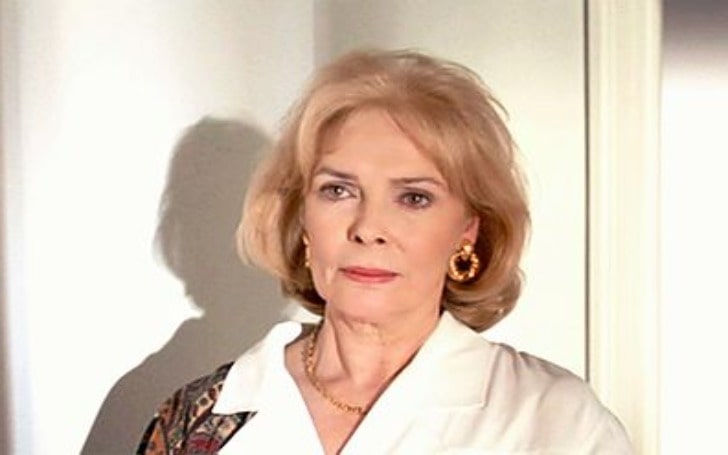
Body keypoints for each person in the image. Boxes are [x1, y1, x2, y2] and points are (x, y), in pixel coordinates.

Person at [137, 49, 632, 454]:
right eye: (338, 191)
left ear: (468, 229)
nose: (369, 228)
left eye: (413, 198)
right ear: (302, 218)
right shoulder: (198, 415)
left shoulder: (554, 420)